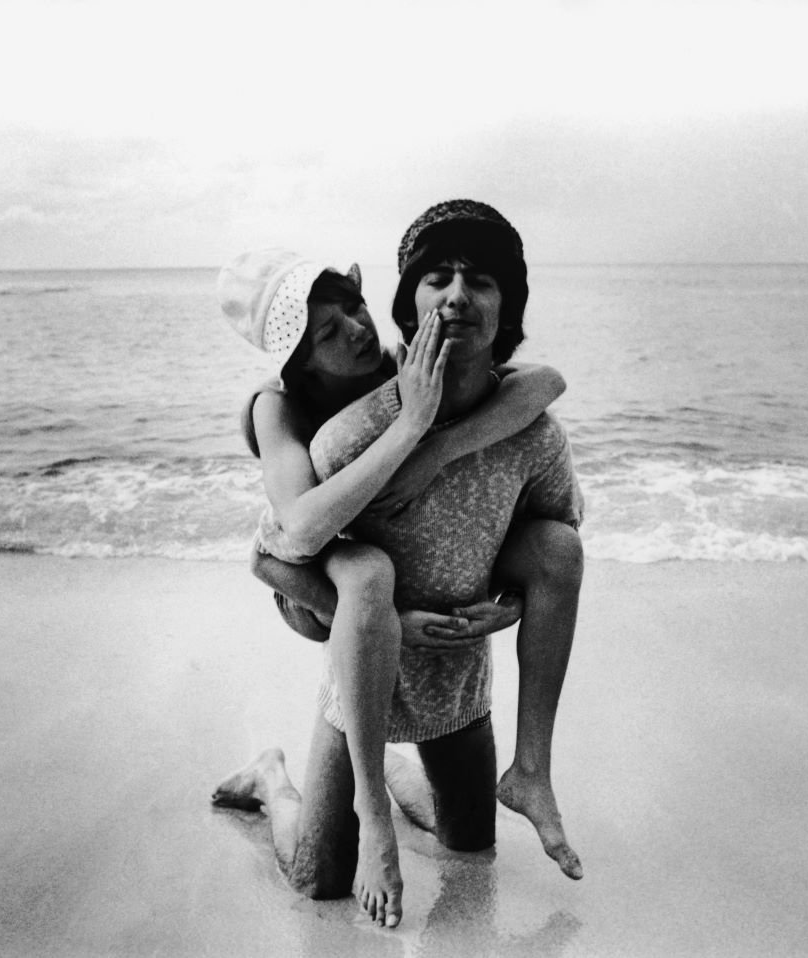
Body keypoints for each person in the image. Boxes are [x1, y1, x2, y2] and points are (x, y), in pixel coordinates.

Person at [212, 201, 585, 928]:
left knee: (469, 845)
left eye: (352, 306)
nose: (354, 329)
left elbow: (537, 381)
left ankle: (403, 772)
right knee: (319, 879)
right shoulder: (284, 412)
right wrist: (411, 426)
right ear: (296, 357)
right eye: (326, 330)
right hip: (323, 586)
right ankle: (275, 780)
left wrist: (443, 449)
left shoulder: (405, 365)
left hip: (443, 625)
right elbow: (281, 543)